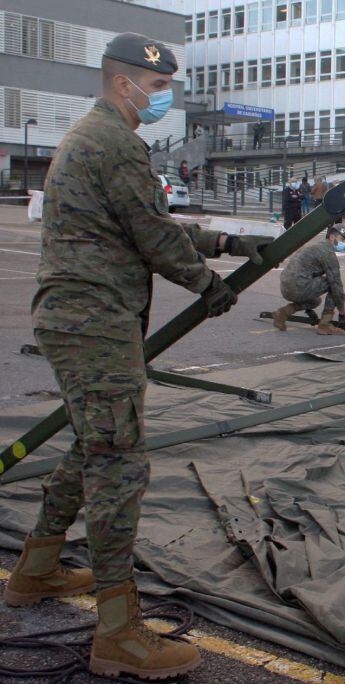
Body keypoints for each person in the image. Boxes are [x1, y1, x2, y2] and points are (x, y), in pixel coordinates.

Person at [4, 33, 272, 680]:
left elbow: (140, 222)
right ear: (123, 84)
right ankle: (119, 632)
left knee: (94, 441)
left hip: (81, 316)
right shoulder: (114, 142)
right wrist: (210, 286)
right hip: (93, 319)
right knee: (118, 460)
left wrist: (229, 241)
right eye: (156, 89)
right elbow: (153, 236)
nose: (162, 100)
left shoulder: (93, 138)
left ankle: (37, 567)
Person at [272, 225, 345, 335]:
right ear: (332, 237)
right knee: (333, 285)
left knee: (315, 301)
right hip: (298, 286)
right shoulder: (328, 253)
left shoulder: (315, 246)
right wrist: (342, 313)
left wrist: (308, 310)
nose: (344, 244)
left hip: (286, 287)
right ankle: (324, 325)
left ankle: (282, 313)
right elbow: (336, 285)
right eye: (342, 239)